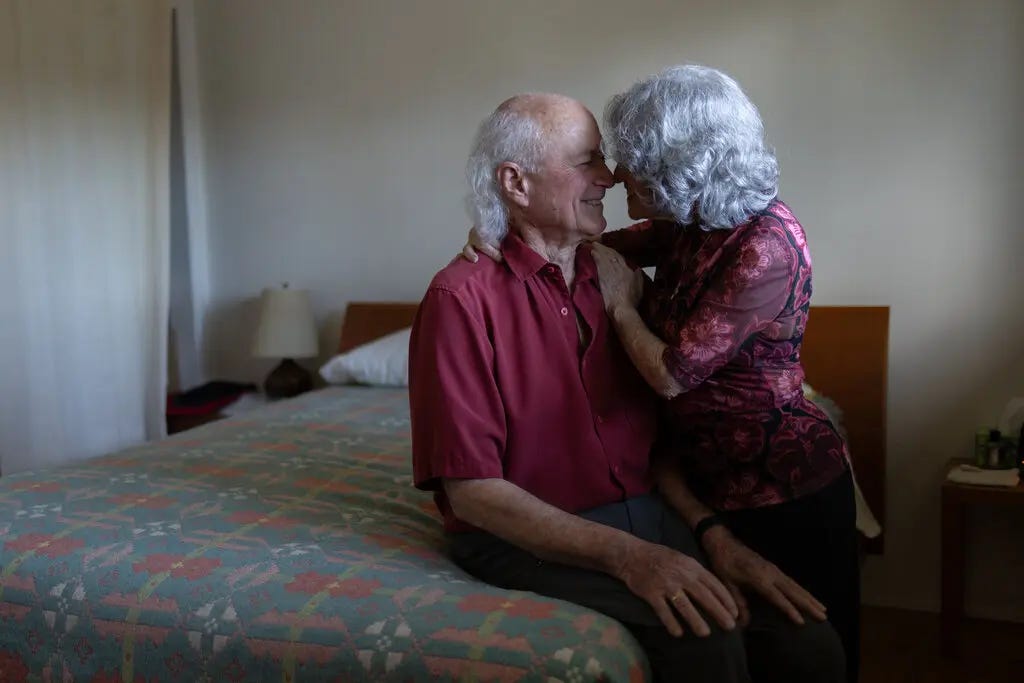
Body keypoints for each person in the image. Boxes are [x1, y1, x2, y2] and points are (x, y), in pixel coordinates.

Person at [414, 92, 845, 683]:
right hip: (528, 536)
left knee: (807, 642)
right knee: (708, 639)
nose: (611, 178)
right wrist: (632, 558)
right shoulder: (461, 299)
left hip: (652, 510)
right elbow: (473, 494)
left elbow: (652, 440)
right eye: (587, 160)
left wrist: (711, 534)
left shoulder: (614, 276)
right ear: (516, 183)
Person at [590, 65, 861, 683]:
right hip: (704, 482)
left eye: (630, 165)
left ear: (676, 168)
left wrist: (622, 306)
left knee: (813, 660)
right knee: (745, 658)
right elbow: (593, 248)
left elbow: (673, 374)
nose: (614, 178)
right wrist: (498, 232)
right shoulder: (690, 224)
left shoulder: (763, 242)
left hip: (783, 490)